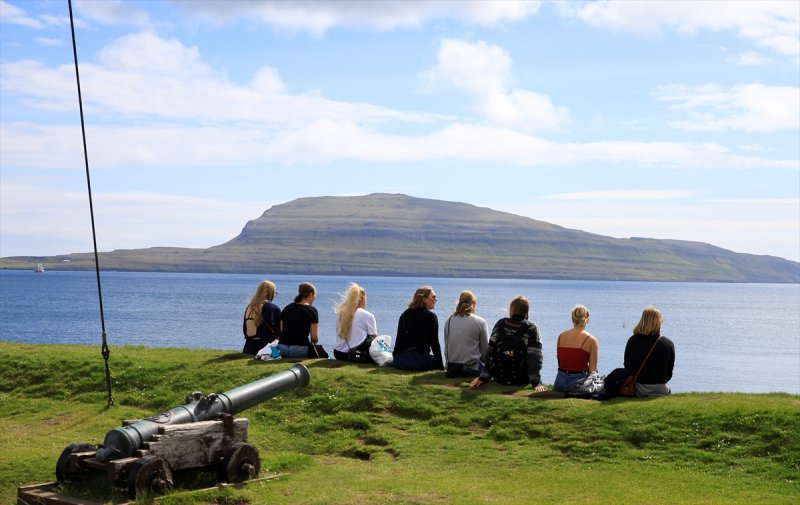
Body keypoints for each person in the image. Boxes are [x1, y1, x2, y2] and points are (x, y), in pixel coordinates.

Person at [471, 296, 546, 391]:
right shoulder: (532, 328)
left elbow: (490, 352)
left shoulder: (500, 324)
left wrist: (484, 377)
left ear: (511, 309)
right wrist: (536, 382)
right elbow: (535, 358)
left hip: (499, 378)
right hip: (521, 380)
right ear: (526, 311)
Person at [624, 305, 675, 397]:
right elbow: (669, 372)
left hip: (638, 388)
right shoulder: (668, 344)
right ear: (659, 322)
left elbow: (627, 366)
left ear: (642, 321)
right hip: (661, 388)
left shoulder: (633, 340)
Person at [393, 285, 444, 371]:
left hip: (400, 360)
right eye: (433, 297)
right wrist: (440, 366)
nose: (436, 300)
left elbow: (399, 340)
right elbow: (435, 343)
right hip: (419, 361)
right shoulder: (431, 316)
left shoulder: (404, 314)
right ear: (424, 299)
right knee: (432, 360)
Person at [553, 304, 599, 392]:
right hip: (578, 384)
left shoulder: (561, 336)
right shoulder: (591, 340)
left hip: (560, 382)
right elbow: (593, 371)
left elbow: (560, 361)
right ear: (587, 319)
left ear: (572, 319)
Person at [443, 290, 489, 377]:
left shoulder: (448, 321)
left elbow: (447, 346)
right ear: (474, 304)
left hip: (452, 369)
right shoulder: (480, 322)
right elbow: (485, 352)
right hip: (471, 369)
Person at [333, 283, 378, 362]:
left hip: (339, 354)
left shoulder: (341, 314)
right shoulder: (368, 316)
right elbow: (374, 339)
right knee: (371, 339)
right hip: (358, 354)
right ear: (363, 299)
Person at [279, 282, 320, 358]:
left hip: (282, 348)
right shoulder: (312, 310)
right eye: (315, 295)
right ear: (311, 294)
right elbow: (314, 338)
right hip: (300, 349)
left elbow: (282, 331)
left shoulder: (287, 308)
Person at [242, 280, 282, 355]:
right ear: (270, 293)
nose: (275, 295)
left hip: (248, 348)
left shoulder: (249, 307)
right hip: (266, 348)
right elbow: (280, 331)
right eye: (275, 293)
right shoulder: (272, 308)